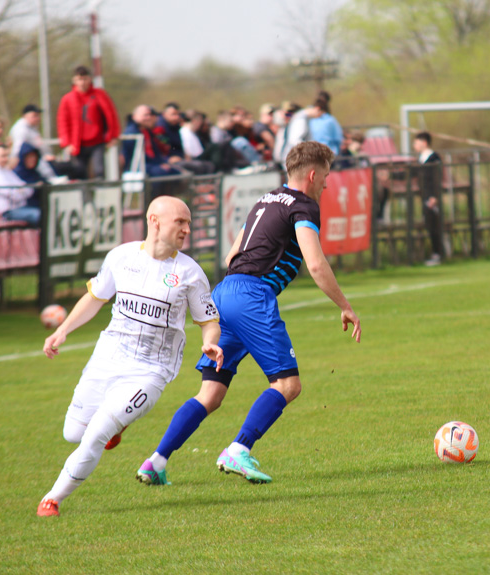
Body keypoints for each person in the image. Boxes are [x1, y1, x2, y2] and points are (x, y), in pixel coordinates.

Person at [136, 141, 361, 486]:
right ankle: (238, 449)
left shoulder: (265, 201)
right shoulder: (304, 206)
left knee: (210, 393)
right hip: (252, 296)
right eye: (326, 177)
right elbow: (315, 263)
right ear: (313, 175)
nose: (327, 185)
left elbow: (231, 256)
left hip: (224, 292)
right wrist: (345, 306)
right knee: (288, 384)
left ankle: (156, 461)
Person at [36, 196, 222, 517]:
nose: (187, 229)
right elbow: (96, 298)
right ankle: (115, 428)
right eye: (181, 221)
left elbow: (208, 320)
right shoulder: (121, 257)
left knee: (95, 436)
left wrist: (210, 342)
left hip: (151, 371)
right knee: (73, 433)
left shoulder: (190, 273)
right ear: (154, 220)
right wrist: (63, 330)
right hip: (107, 358)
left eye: (188, 223)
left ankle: (52, 499)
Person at [57, 65, 120, 180]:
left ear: (90, 79)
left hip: (97, 141)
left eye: (85, 79)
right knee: (79, 172)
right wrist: (66, 143)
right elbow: (63, 121)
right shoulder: (68, 99)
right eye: (79, 79)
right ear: (74, 80)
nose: (82, 83)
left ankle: (101, 196)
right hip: (78, 143)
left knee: (99, 171)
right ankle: (84, 197)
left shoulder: (99, 95)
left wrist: (113, 135)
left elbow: (111, 115)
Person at [0, 145, 39, 225]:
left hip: (18, 207)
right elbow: (13, 194)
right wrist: (21, 191)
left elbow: (27, 188)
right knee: (38, 215)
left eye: (7, 155)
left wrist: (20, 191)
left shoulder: (5, 170)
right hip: (5, 212)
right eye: (2, 156)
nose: (6, 159)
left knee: (44, 213)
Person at [413, 132, 444, 266]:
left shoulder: (434, 158)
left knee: (434, 225)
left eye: (416, 142)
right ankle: (435, 253)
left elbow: (437, 178)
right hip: (425, 196)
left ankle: (438, 254)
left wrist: (434, 196)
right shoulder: (421, 158)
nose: (414, 145)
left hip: (432, 197)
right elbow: (411, 173)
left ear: (424, 142)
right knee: (429, 224)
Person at [10, 104, 60, 181]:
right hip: (30, 162)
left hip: (39, 159)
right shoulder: (21, 129)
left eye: (38, 116)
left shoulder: (32, 127)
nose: (37, 118)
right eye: (34, 116)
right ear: (25, 116)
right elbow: (19, 150)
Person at [308, 91, 343, 156]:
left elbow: (337, 139)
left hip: (327, 153)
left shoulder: (329, 120)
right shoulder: (310, 118)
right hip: (313, 153)